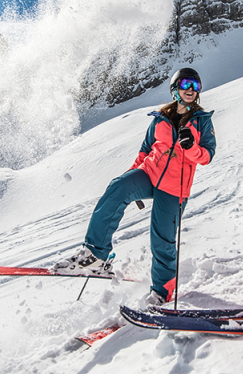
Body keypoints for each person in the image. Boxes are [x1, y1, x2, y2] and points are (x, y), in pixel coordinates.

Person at [55, 68, 216, 306]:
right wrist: (132, 175)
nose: (191, 90)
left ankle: (161, 292)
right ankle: (96, 254)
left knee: (162, 239)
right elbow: (145, 150)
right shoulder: (160, 117)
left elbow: (207, 156)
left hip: (174, 186)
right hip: (150, 173)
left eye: (195, 86)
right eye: (186, 84)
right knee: (118, 187)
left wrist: (191, 146)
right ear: (175, 89)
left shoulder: (202, 120)